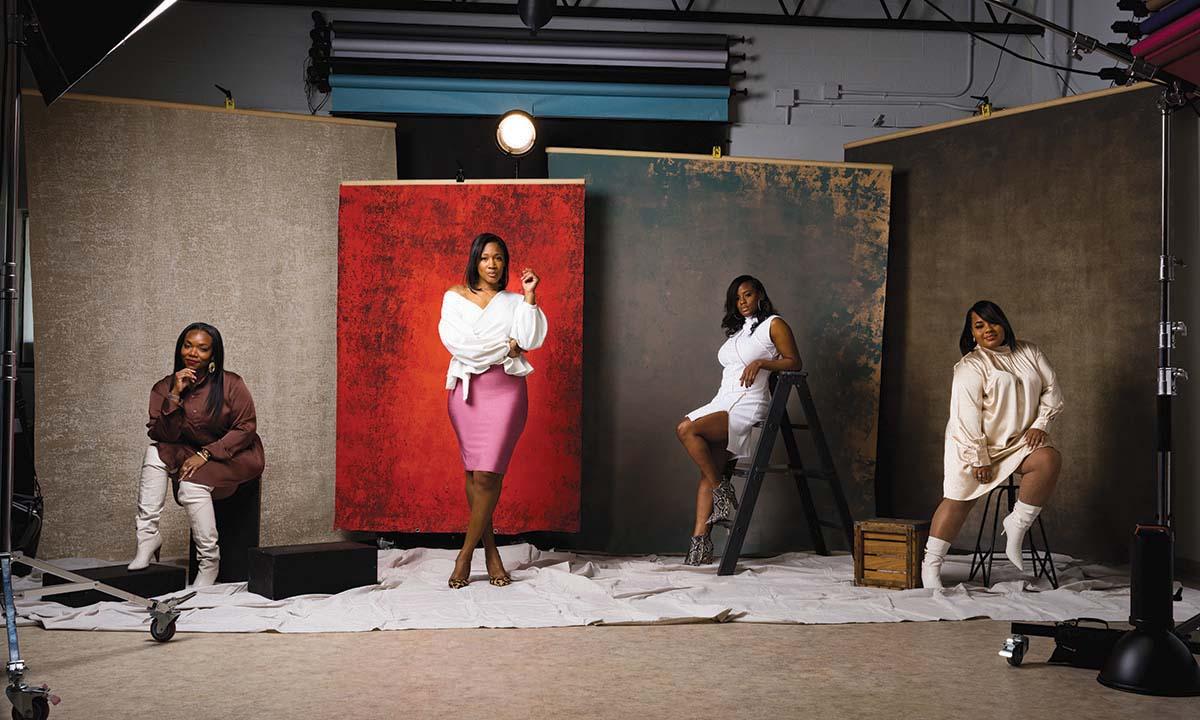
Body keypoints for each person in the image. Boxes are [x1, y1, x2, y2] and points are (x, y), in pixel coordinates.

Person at [921, 300, 1064, 589]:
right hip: (973, 444)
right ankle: (931, 566)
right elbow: (966, 417)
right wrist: (979, 458)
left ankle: (1016, 526)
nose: (988, 329)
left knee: (1049, 459)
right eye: (979, 325)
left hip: (1018, 442)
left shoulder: (1030, 351)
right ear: (971, 333)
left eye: (993, 322)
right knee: (958, 502)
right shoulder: (970, 366)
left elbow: (1051, 389)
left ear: (1004, 323)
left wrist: (1040, 425)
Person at [438, 232, 547, 589]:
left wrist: (530, 297)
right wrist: (506, 347)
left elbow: (530, 341)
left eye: (499, 258)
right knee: (473, 473)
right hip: (467, 395)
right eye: (485, 258)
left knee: (488, 475)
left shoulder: (516, 301)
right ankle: (491, 551)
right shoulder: (454, 297)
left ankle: (464, 555)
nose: (492, 264)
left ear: (506, 262)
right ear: (475, 260)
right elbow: (460, 345)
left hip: (506, 392)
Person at [675, 275, 802, 565]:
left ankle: (722, 489)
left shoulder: (774, 324)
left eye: (747, 295)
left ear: (759, 294)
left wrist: (761, 362)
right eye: (737, 298)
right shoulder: (738, 333)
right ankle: (700, 545)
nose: (742, 302)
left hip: (748, 402)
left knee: (686, 430)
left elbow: (794, 361)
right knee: (711, 467)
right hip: (722, 398)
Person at [128, 322, 265, 587]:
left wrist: (206, 454)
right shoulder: (164, 387)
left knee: (190, 484)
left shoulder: (231, 383)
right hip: (190, 450)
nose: (193, 352)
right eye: (188, 345)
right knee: (155, 453)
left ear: (213, 354)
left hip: (235, 454)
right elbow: (163, 435)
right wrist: (175, 394)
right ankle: (147, 538)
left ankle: (209, 562)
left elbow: (246, 428)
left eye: (202, 348)